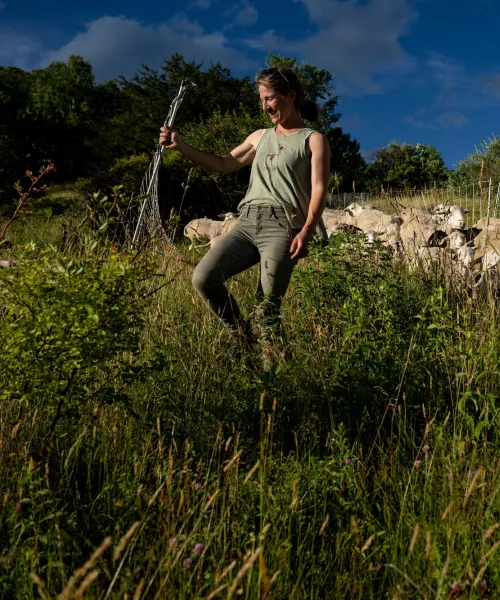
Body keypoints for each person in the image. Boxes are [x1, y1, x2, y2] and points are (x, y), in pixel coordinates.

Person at [159, 66, 330, 364]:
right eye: (261, 100)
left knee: (266, 310)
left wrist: (307, 230)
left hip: (283, 226)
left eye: (270, 99)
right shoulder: (259, 137)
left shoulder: (313, 139)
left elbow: (318, 190)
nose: (265, 107)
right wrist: (182, 146)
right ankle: (241, 337)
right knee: (203, 278)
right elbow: (225, 163)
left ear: (290, 95)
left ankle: (273, 385)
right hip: (246, 222)